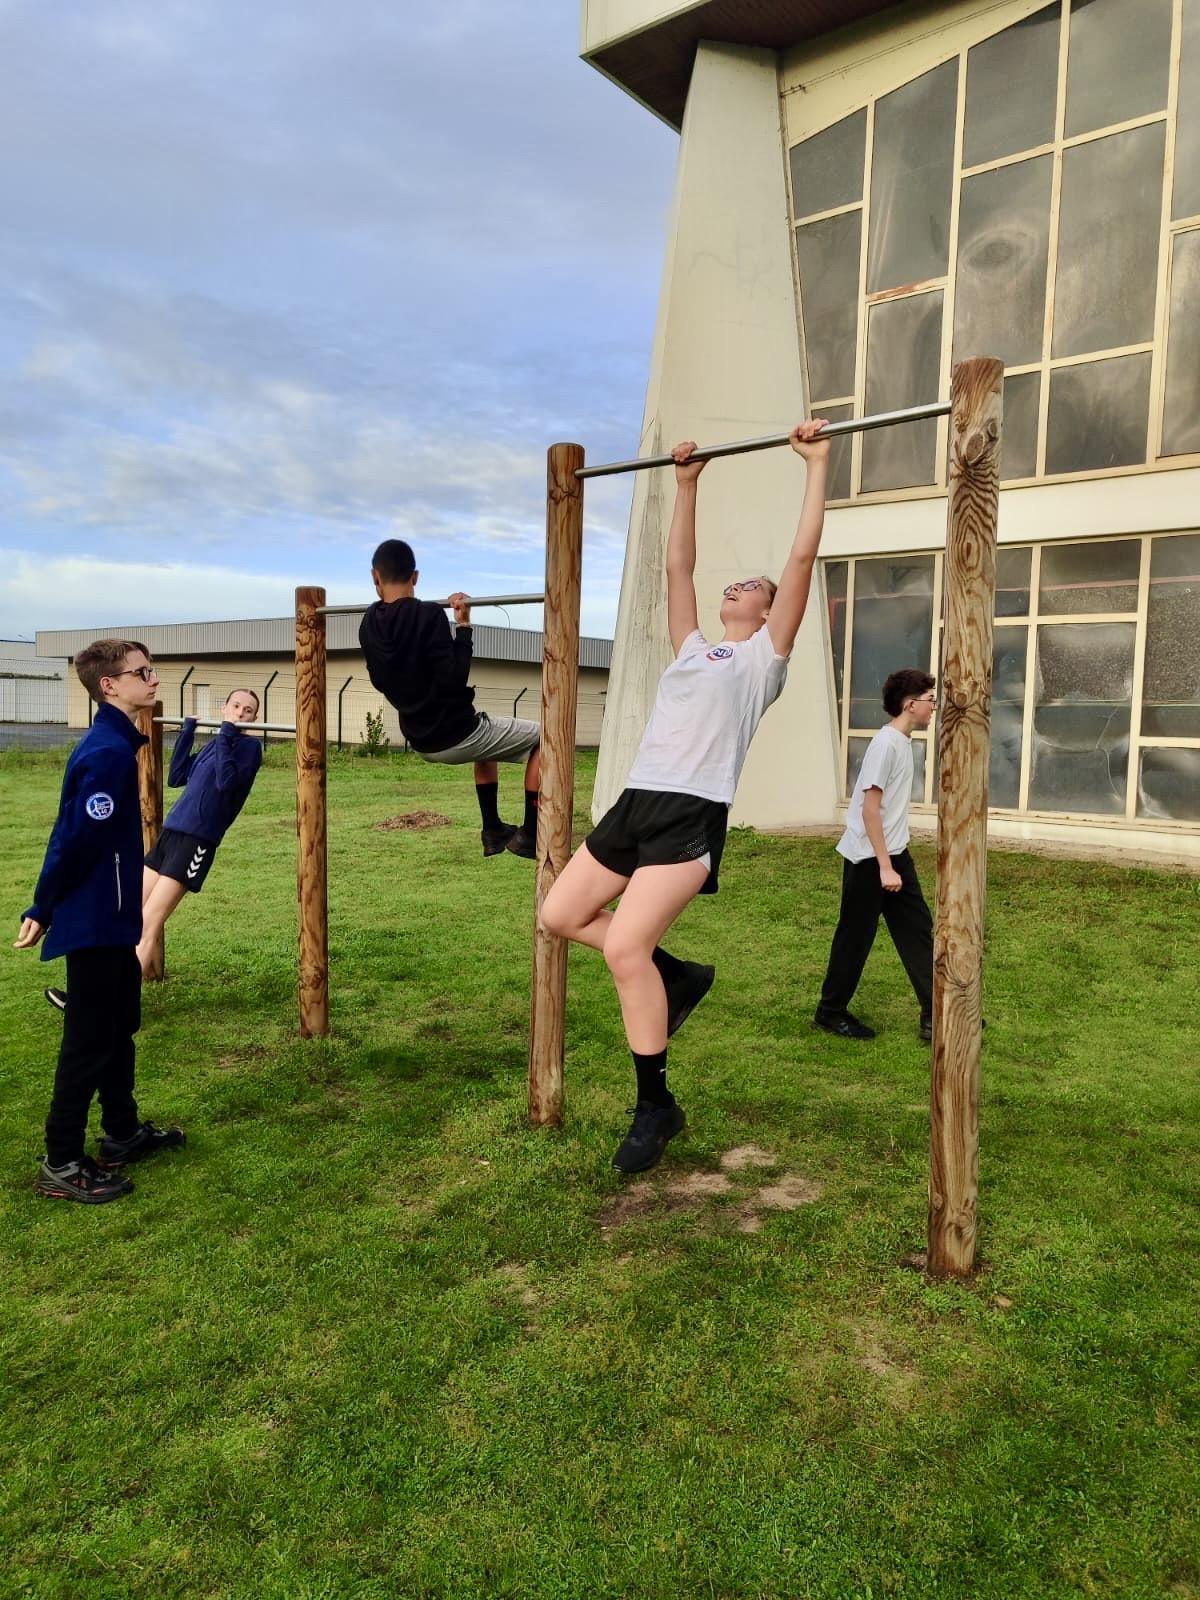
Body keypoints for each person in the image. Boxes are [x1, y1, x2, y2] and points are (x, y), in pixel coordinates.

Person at [539, 421, 831, 1175]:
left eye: (756, 586)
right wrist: (687, 483)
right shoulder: (696, 649)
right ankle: (677, 975)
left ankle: (654, 1104)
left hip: (692, 813)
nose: (743, 585)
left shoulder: (767, 658)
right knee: (560, 915)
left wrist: (816, 465)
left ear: (769, 612)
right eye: (738, 583)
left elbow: (802, 556)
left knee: (625, 947)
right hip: (639, 800)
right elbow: (677, 567)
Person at [14, 639, 185, 1204]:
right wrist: (44, 906)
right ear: (109, 685)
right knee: (88, 1038)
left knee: (119, 1025)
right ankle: (62, 1160)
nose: (153, 680)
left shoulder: (119, 743)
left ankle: (120, 1132)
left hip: (116, 915)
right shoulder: (106, 754)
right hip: (93, 920)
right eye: (142, 672)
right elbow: (73, 837)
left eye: (151, 669)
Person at [43, 688, 265, 1007]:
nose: (241, 712)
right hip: (172, 833)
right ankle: (89, 998)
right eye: (236, 706)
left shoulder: (248, 748)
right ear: (225, 706)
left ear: (254, 718)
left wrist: (228, 733)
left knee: (149, 921)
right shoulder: (216, 743)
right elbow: (176, 776)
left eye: (247, 710)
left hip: (198, 841)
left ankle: (113, 1006)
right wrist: (187, 732)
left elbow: (226, 783)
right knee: (127, 913)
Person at [359, 539, 542, 859]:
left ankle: (493, 830)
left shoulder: (369, 622)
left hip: (419, 738)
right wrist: (464, 625)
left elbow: (379, 680)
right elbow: (455, 676)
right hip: (457, 733)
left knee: (488, 745)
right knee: (549, 736)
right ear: (415, 576)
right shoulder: (428, 615)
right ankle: (530, 834)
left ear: (375, 576)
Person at [813, 668, 936, 1043]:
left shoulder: (903, 743)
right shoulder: (885, 745)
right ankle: (830, 1012)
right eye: (930, 701)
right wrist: (884, 867)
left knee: (919, 933)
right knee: (855, 937)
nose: (934, 708)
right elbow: (870, 809)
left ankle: (937, 1015)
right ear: (910, 704)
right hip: (870, 859)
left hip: (894, 854)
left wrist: (894, 861)